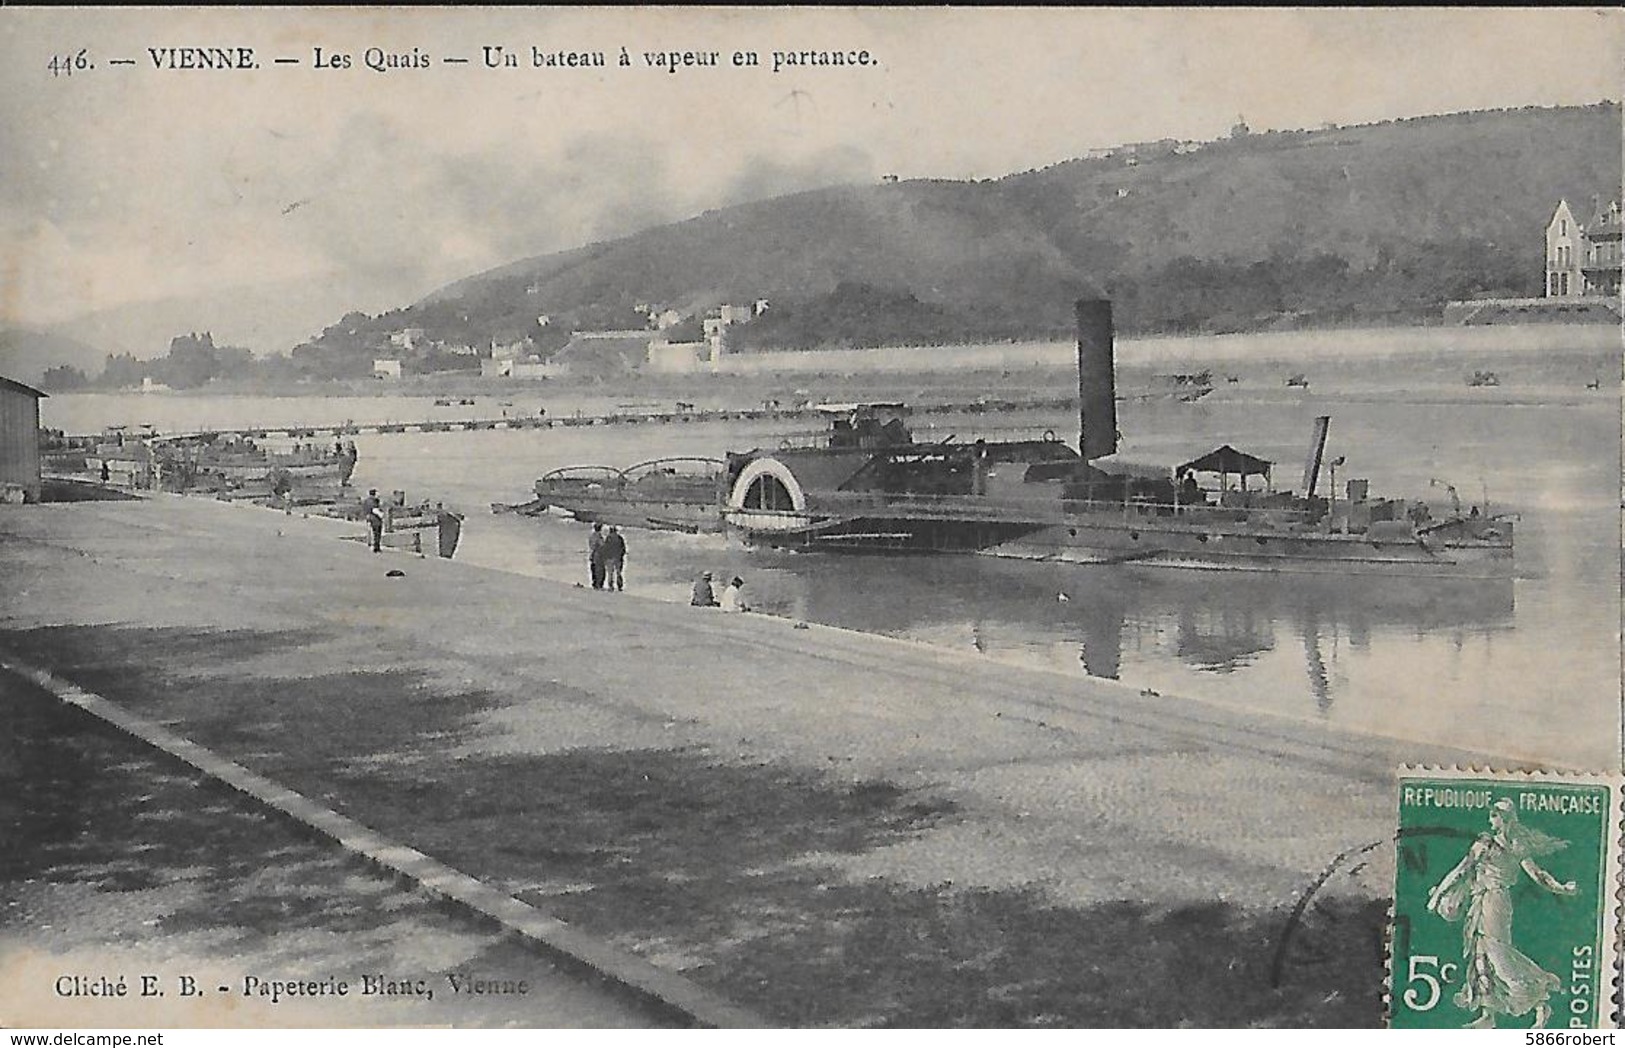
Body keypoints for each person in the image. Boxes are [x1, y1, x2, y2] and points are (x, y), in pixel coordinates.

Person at [1426, 798, 1577, 1028]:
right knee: (1481, 954)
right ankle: (1489, 1016)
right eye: (1490, 815)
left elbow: (1537, 875)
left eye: (1494, 815)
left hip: (1495, 901)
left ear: (1504, 819)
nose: (1490, 820)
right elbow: (1462, 871)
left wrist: (1561, 888)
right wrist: (1439, 895)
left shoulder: (1514, 846)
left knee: (1498, 954)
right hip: (1481, 900)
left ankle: (1539, 996)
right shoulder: (1486, 844)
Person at [602, 526, 627, 591]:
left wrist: (604, 557)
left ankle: (611, 586)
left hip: (610, 558)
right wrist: (621, 556)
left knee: (610, 573)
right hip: (618, 558)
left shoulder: (608, 538)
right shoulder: (620, 538)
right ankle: (620, 586)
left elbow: (605, 548)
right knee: (619, 573)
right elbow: (623, 549)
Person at [360, 488, 384, 553]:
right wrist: (381, 514)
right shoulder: (373, 501)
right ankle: (376, 547)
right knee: (377, 533)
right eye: (377, 493)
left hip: (369, 518)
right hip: (375, 519)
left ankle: (374, 545)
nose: (378, 494)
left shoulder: (367, 500)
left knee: (372, 532)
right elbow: (374, 510)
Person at [587, 522, 606, 589]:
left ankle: (595, 583)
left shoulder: (592, 536)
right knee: (599, 570)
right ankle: (598, 584)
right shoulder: (599, 536)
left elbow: (591, 545)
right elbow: (602, 545)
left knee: (594, 569)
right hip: (598, 555)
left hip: (593, 554)